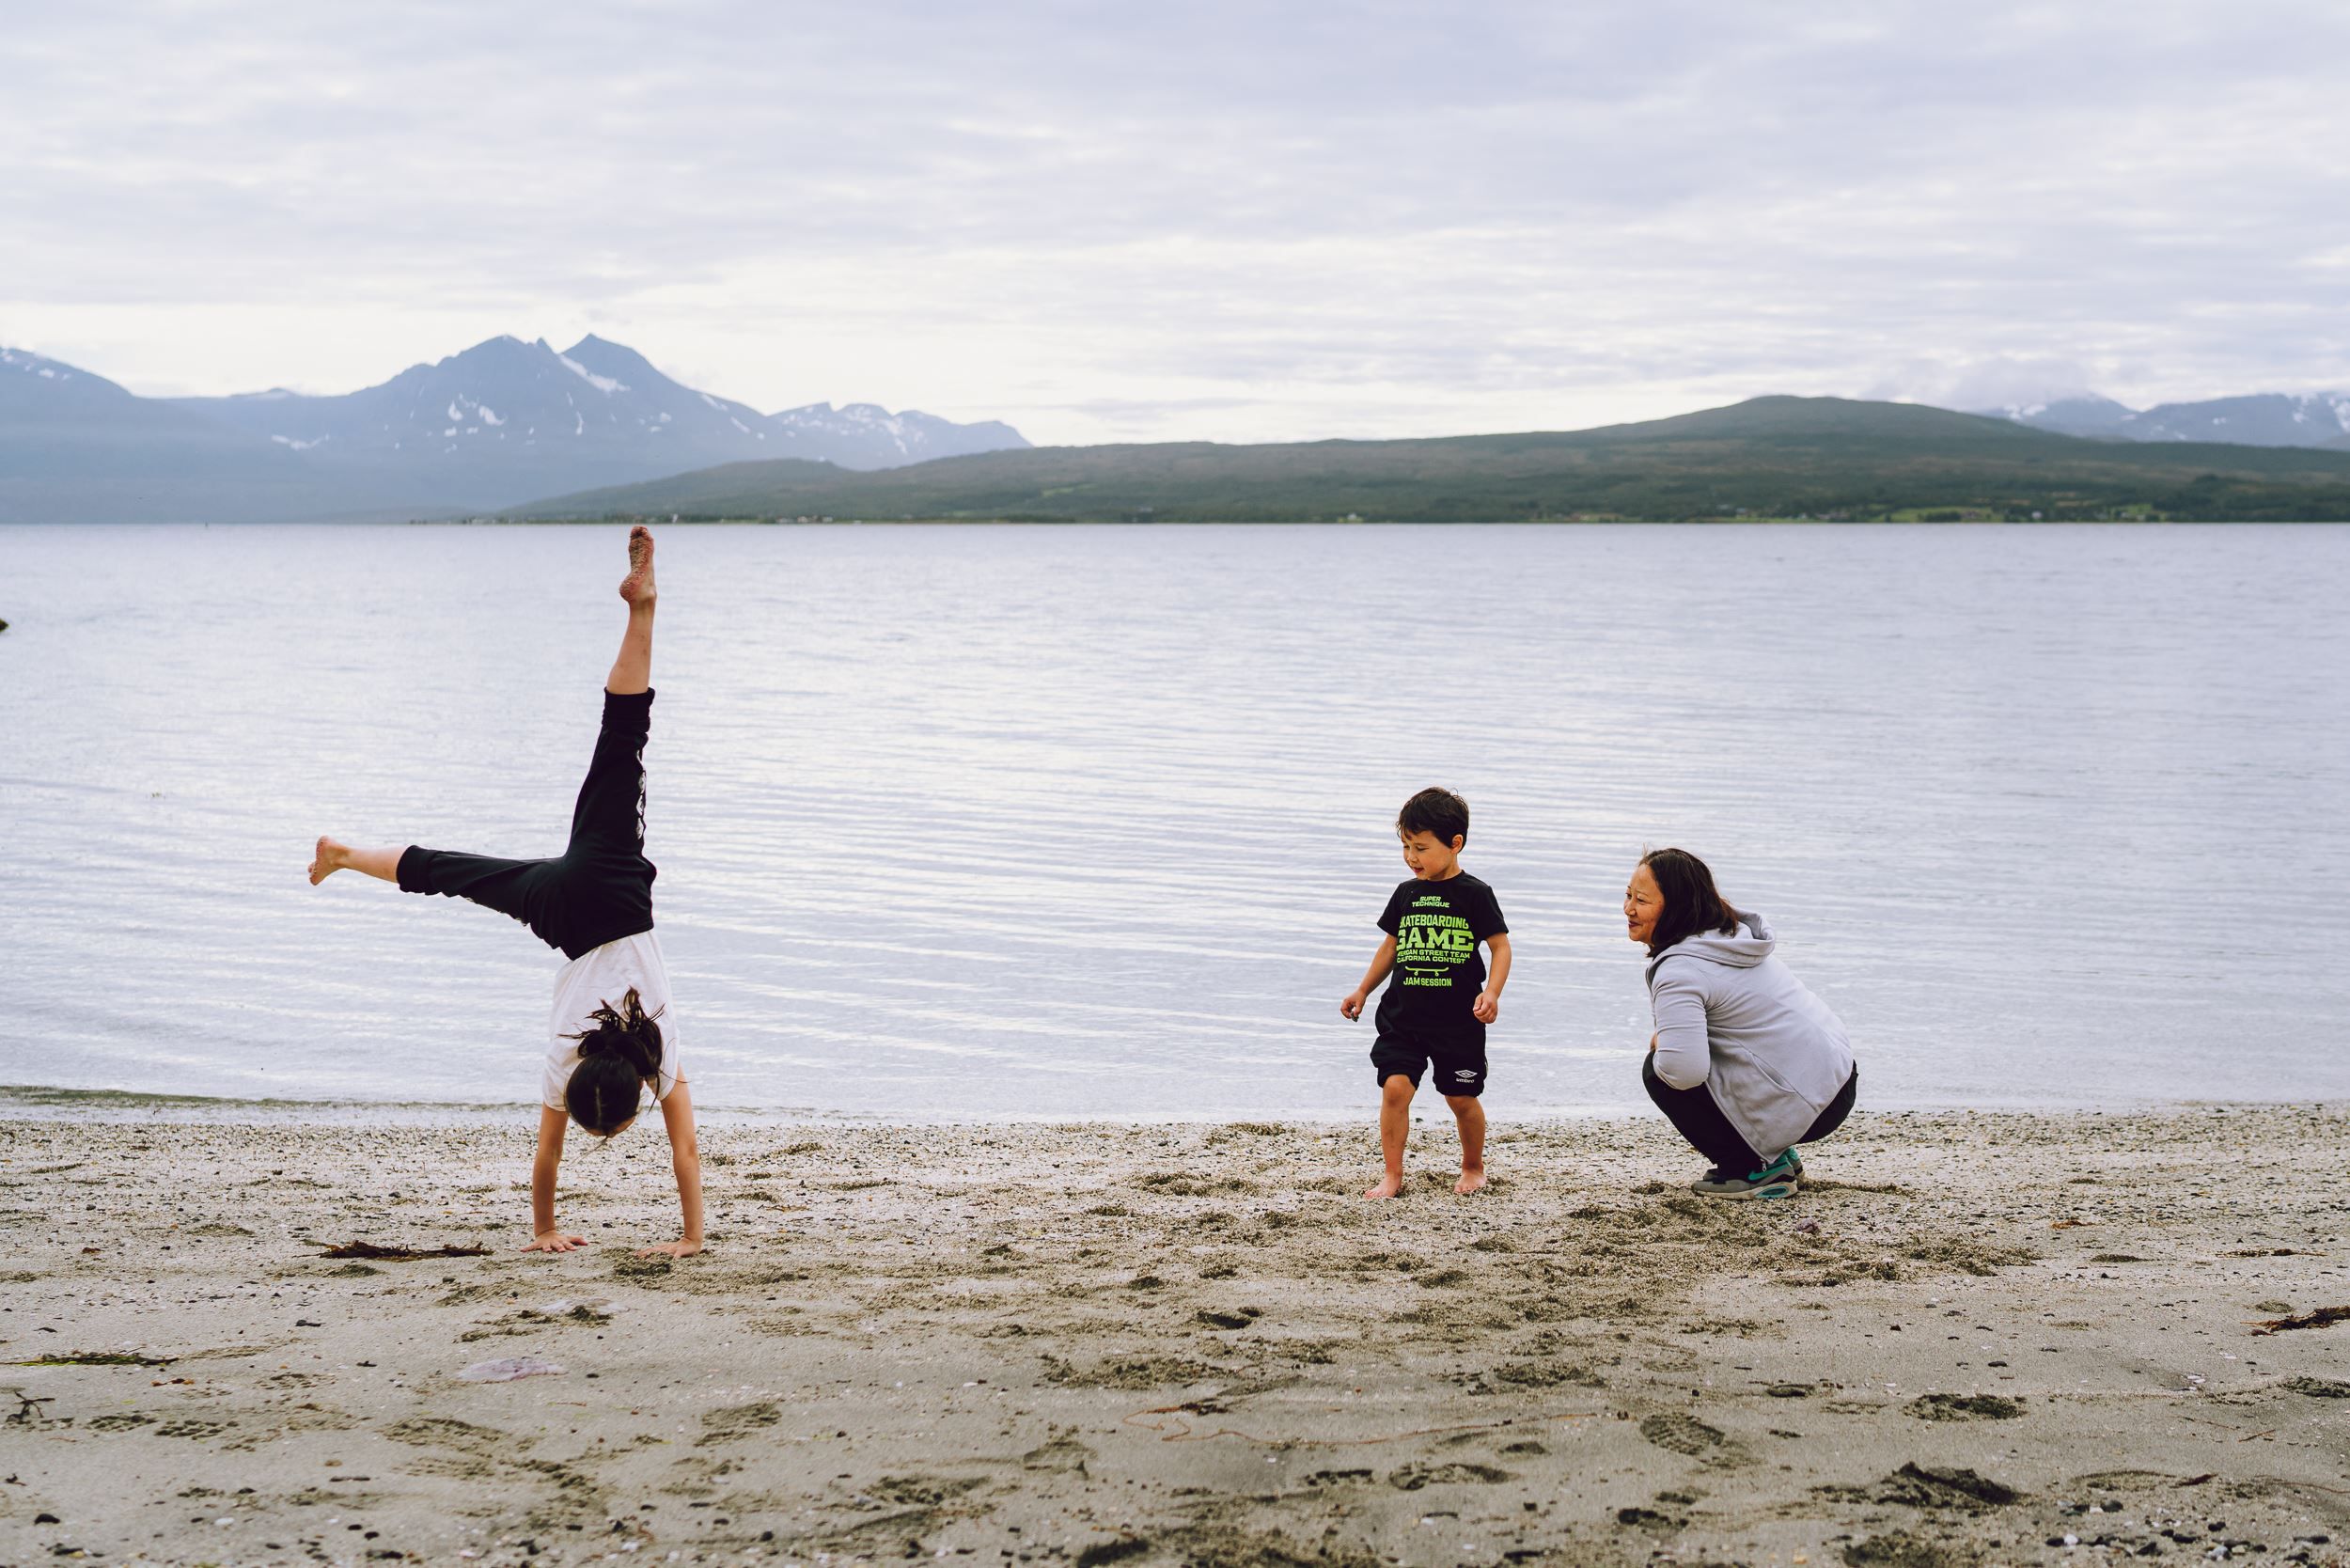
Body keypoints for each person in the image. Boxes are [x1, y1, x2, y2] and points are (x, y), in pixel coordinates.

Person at [306, 526, 703, 1258]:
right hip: (563, 907)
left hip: (612, 888)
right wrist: (545, 1228)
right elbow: (547, 1160)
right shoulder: (565, 1065)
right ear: (593, 1087)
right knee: (457, 874)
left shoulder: (658, 1052)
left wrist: (690, 1237)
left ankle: (643, 610)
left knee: (623, 737)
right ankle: (345, 854)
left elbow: (685, 1155)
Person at [1626, 847, 1856, 1200]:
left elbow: (1683, 1072)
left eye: (1641, 900)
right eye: (1628, 896)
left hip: (1807, 1102)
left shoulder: (1680, 970)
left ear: (1676, 908)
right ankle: (1776, 1153)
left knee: (1659, 1071)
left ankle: (1752, 1169)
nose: (1628, 909)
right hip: (1839, 1079)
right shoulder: (1732, 938)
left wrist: (1662, 1045)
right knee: (1708, 1053)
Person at [1340, 788, 1512, 1199]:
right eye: (1405, 846)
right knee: (1396, 1088)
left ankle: (1473, 1167)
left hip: (1457, 1022)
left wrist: (1492, 993)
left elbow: (1500, 946)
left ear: (1455, 844)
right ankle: (1392, 1175)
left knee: (1461, 1097)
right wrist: (1364, 989)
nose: (1411, 857)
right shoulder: (1406, 894)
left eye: (1421, 847)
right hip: (1404, 1017)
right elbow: (1390, 947)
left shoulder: (1475, 892)